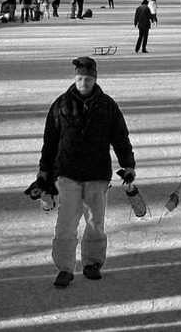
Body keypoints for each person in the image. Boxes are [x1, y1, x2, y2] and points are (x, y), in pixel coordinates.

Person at [33, 56, 136, 288]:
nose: (83, 83)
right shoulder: (60, 105)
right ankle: (65, 267)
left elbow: (120, 137)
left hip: (97, 174)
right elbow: (50, 142)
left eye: (88, 79)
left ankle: (92, 263)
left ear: (95, 79)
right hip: (67, 173)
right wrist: (43, 172)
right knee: (66, 223)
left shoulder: (107, 105)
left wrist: (128, 164)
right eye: (80, 78)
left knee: (95, 222)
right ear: (74, 78)